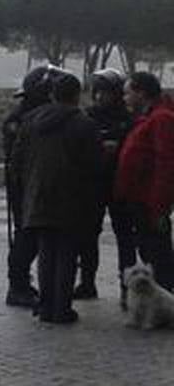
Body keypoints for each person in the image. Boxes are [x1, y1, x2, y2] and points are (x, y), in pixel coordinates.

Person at [11, 71, 102, 324]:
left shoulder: (29, 120)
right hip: (72, 199)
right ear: (77, 95)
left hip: (37, 196)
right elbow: (95, 167)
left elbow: (16, 161)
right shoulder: (85, 124)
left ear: (52, 94)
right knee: (67, 254)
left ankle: (45, 306)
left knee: (46, 251)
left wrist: (26, 190)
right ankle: (61, 309)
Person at [74, 68, 135, 300]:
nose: (100, 97)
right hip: (93, 184)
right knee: (88, 235)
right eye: (97, 92)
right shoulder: (87, 116)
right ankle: (87, 282)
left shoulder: (128, 119)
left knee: (125, 237)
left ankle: (126, 287)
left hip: (120, 184)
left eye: (106, 92)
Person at [114, 70, 174, 300]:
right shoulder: (150, 117)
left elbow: (166, 164)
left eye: (127, 93)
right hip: (140, 199)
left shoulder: (161, 119)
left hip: (150, 202)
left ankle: (164, 303)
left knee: (158, 254)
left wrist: (158, 206)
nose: (124, 98)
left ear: (141, 93)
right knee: (151, 251)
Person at [3, 66, 56, 308]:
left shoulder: (30, 116)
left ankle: (21, 284)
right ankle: (18, 286)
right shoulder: (21, 120)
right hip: (24, 186)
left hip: (31, 184)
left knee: (29, 235)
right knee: (26, 236)